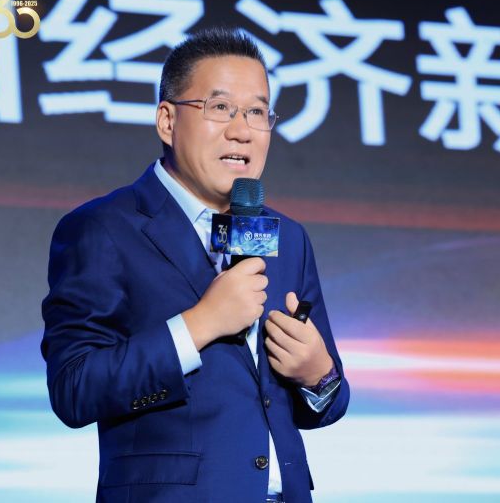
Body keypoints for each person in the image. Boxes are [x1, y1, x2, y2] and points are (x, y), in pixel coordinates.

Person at [41, 27, 350, 503]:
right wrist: (198, 325)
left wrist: (317, 374)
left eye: (257, 112)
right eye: (220, 107)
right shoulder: (103, 228)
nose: (242, 130)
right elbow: (74, 389)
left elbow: (326, 404)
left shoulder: (288, 238)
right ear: (167, 121)